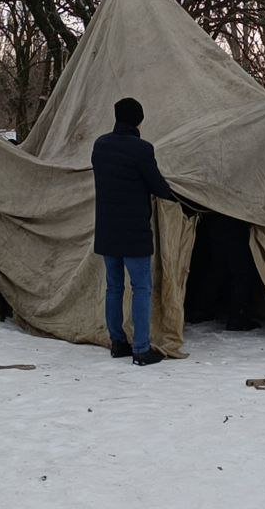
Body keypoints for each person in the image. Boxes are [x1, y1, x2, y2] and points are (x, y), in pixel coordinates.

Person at [91, 97, 175, 366]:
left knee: (114, 287)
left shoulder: (100, 146)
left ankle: (118, 342)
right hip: (134, 231)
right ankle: (141, 349)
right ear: (138, 120)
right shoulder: (142, 149)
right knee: (141, 288)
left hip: (107, 229)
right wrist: (178, 198)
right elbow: (157, 185)